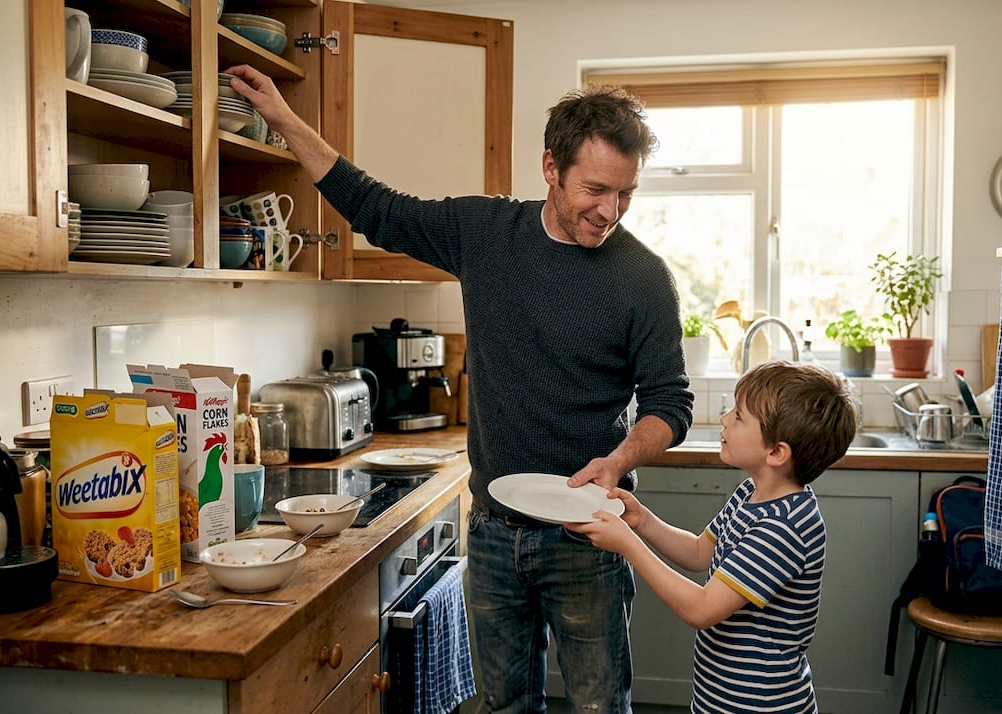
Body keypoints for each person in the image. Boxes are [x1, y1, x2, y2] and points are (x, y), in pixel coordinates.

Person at [226, 65, 695, 713]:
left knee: (600, 706)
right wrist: (283, 119)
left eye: (625, 193)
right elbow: (377, 208)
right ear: (550, 167)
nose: (609, 211)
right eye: (595, 189)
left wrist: (618, 461)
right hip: (495, 530)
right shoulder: (485, 234)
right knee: (504, 706)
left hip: (590, 536)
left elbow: (672, 405)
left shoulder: (643, 278)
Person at [570, 360, 857, 713]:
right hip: (719, 699)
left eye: (739, 416)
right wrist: (641, 521)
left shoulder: (784, 526)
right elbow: (698, 551)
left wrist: (628, 546)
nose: (724, 419)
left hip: (762, 705)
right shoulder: (750, 494)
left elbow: (702, 608)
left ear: (776, 452)